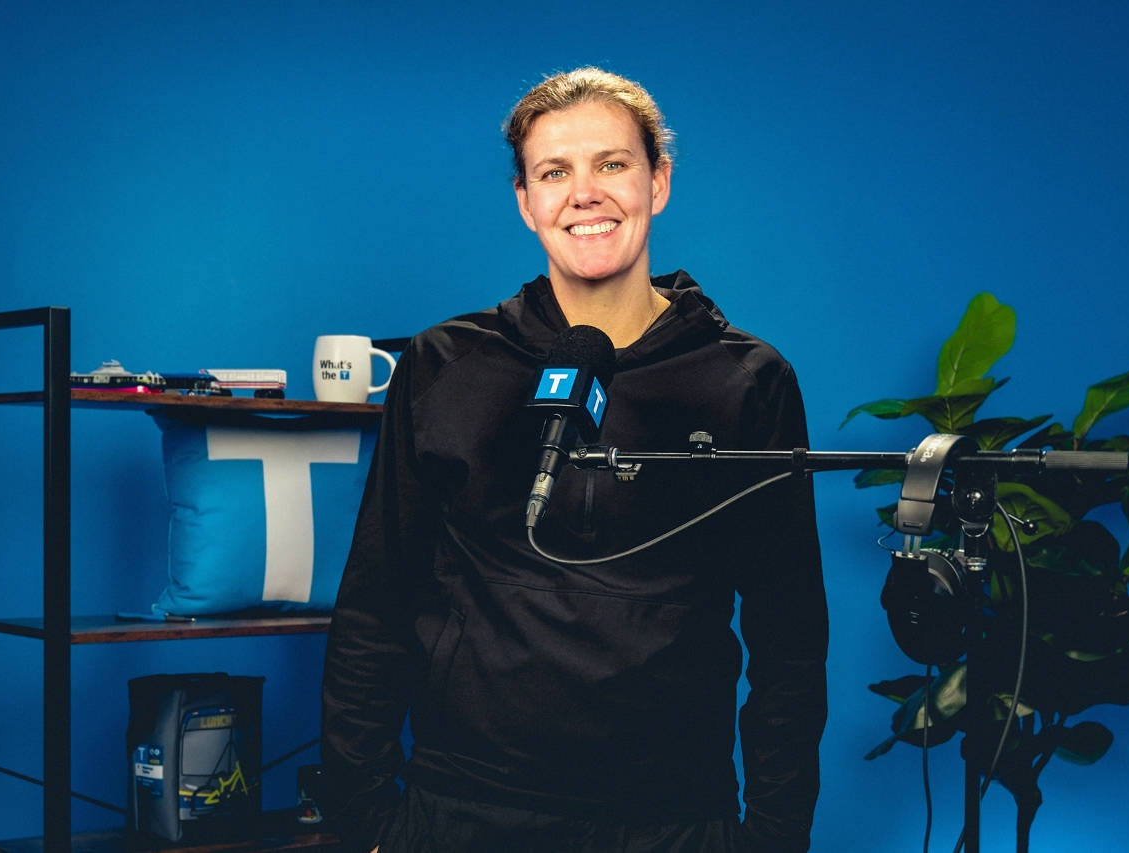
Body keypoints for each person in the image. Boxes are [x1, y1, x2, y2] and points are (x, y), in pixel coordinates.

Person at [321, 67, 828, 853]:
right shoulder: (442, 364)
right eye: (555, 172)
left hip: (674, 816)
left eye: (612, 164)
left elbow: (789, 635)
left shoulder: (749, 382)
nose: (584, 193)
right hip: (460, 809)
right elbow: (372, 608)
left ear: (657, 182)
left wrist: (773, 834)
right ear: (526, 202)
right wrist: (367, 822)